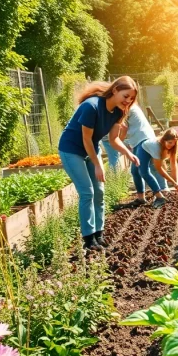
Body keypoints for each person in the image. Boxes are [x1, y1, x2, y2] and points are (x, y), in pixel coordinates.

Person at [58, 77, 140, 251]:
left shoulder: (119, 111)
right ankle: (88, 240)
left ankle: (98, 235)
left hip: (90, 149)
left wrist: (128, 153)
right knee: (87, 192)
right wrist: (97, 163)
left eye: (131, 99)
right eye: (126, 96)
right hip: (71, 149)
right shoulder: (91, 106)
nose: (128, 101)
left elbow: (114, 139)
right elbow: (86, 139)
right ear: (115, 89)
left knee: (99, 192)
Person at [121, 104, 168, 206]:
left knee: (143, 171)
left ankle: (160, 197)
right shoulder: (130, 105)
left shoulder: (125, 106)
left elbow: (123, 127)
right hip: (138, 140)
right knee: (134, 171)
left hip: (143, 140)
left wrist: (118, 141)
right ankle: (141, 198)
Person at [134, 128, 178, 208]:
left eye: (173, 143)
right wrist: (173, 182)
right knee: (143, 172)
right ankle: (159, 197)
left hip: (152, 150)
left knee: (151, 170)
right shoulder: (156, 147)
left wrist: (176, 182)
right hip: (143, 149)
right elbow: (159, 169)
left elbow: (173, 164)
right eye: (169, 143)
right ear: (164, 140)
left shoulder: (173, 147)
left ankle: (163, 189)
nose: (171, 145)